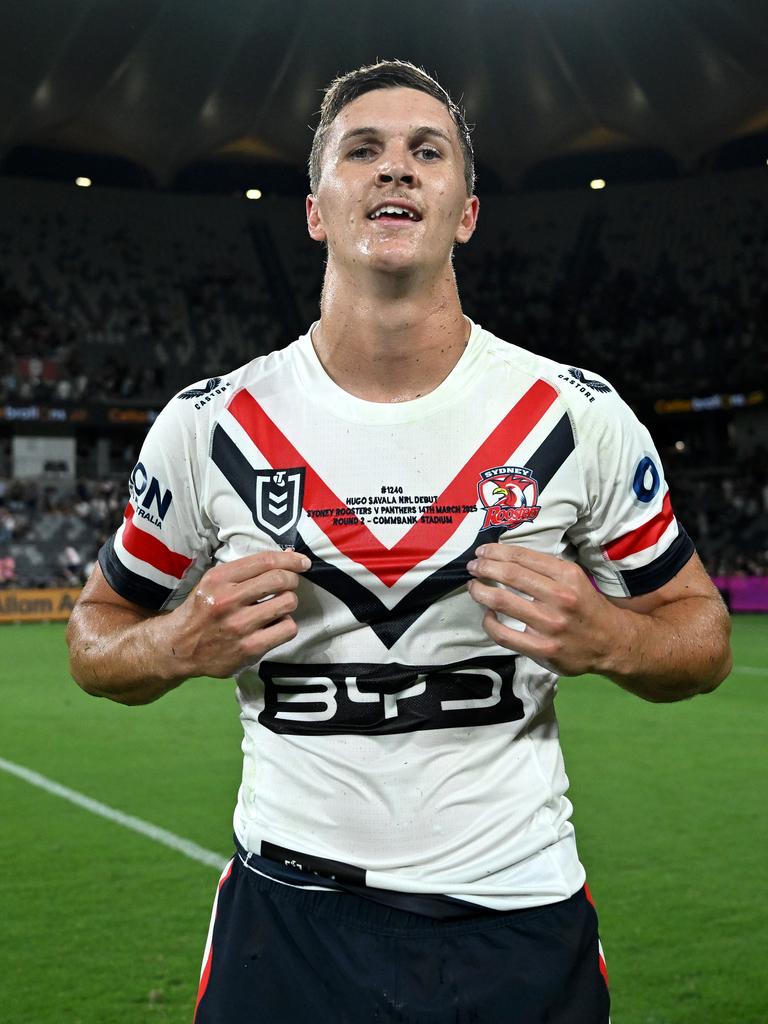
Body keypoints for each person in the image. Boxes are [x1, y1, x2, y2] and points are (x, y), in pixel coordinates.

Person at [67, 60, 732, 1024]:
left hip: (517, 915)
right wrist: (173, 645)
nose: (396, 170)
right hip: (285, 923)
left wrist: (614, 639)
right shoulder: (208, 425)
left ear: (465, 211)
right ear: (314, 208)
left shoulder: (576, 416)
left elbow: (700, 634)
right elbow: (95, 635)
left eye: (429, 151)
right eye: (362, 150)